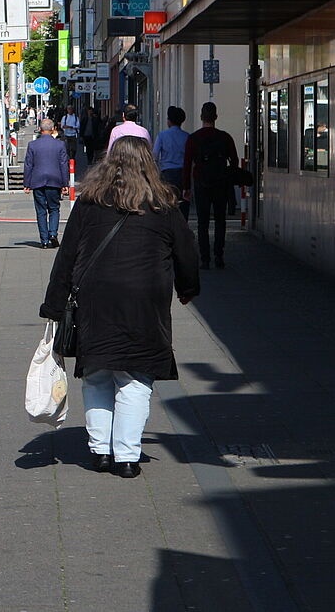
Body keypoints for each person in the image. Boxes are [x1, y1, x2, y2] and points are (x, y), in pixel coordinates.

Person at [40, 137, 200, 479]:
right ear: (149, 164)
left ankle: (100, 451)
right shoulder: (163, 204)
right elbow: (186, 251)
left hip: (95, 299)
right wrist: (188, 289)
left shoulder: (90, 201)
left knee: (97, 373)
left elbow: (67, 255)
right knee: (135, 378)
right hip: (144, 302)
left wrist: (54, 304)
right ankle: (126, 456)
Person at [183, 101, 239, 269]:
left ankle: (205, 258)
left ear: (201, 117)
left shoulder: (193, 138)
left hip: (201, 183)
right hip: (220, 183)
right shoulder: (225, 137)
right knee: (220, 220)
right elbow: (234, 160)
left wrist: (186, 187)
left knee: (203, 222)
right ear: (216, 117)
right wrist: (229, 176)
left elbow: (187, 164)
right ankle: (219, 256)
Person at [23, 119, 70, 248]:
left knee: (41, 211)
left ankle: (44, 240)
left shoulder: (32, 145)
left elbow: (28, 165)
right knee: (54, 209)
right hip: (54, 180)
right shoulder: (60, 145)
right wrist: (65, 184)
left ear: (40, 129)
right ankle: (53, 233)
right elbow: (64, 165)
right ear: (53, 129)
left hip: (37, 181)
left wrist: (27, 183)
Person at [152, 106, 191, 219]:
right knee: (183, 203)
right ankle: (183, 223)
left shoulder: (162, 135)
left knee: (168, 202)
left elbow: (155, 155)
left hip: (167, 173)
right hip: (183, 174)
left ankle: (169, 224)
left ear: (169, 121)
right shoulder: (187, 136)